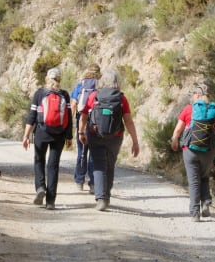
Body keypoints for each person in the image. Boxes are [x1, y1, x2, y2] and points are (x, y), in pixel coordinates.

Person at [78, 68, 140, 211]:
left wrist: (81, 132)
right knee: (110, 165)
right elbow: (128, 121)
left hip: (95, 134)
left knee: (99, 165)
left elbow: (84, 117)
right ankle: (106, 195)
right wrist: (135, 141)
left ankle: (101, 199)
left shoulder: (94, 96)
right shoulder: (121, 98)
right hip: (115, 137)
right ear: (117, 82)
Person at [170, 83, 215, 221]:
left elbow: (178, 130)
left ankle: (195, 213)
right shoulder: (214, 111)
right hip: (207, 151)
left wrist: (174, 141)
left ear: (196, 95)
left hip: (190, 151)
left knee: (194, 181)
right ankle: (206, 201)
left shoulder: (189, 109)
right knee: (204, 177)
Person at [22, 67, 73, 210]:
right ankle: (51, 201)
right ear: (59, 79)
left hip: (41, 133)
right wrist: (69, 137)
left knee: (39, 160)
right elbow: (68, 117)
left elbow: (32, 116)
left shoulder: (39, 94)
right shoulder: (64, 95)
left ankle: (40, 188)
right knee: (53, 166)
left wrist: (26, 135)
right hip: (59, 135)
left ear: (46, 79)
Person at [70, 64, 101, 192]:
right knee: (94, 153)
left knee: (81, 152)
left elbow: (73, 104)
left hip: (80, 120)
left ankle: (79, 181)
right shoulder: (100, 86)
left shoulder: (80, 85)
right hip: (96, 122)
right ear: (99, 73)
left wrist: (72, 123)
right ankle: (93, 184)